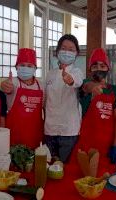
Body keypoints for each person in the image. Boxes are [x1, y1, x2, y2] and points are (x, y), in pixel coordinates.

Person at [74, 48, 116, 175]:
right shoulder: (85, 84)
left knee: (105, 182)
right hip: (86, 146)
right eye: (94, 66)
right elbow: (87, 87)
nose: (98, 68)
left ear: (108, 68)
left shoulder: (113, 91)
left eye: (102, 65)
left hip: (107, 147)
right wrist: (94, 88)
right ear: (90, 69)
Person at [44, 34, 84, 163]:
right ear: (57, 52)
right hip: (50, 129)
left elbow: (77, 81)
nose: (67, 52)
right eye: (64, 48)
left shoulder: (77, 72)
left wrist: (70, 80)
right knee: (50, 167)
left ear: (76, 53)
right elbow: (44, 100)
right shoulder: (50, 74)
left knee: (65, 169)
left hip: (69, 131)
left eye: (71, 49)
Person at [1, 48, 43, 149]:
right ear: (16, 67)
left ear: (35, 68)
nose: (25, 68)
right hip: (15, 135)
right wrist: (5, 85)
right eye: (22, 65)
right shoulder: (14, 83)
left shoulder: (40, 85)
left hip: (34, 135)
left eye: (29, 66)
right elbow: (7, 87)